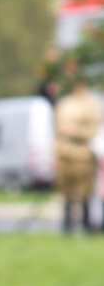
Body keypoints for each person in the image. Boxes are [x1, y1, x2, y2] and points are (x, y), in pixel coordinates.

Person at [54, 82, 101, 233]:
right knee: (66, 192)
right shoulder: (64, 103)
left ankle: (86, 226)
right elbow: (57, 128)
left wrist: (77, 131)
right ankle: (67, 227)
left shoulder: (91, 105)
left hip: (83, 154)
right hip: (65, 152)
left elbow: (93, 128)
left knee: (85, 191)